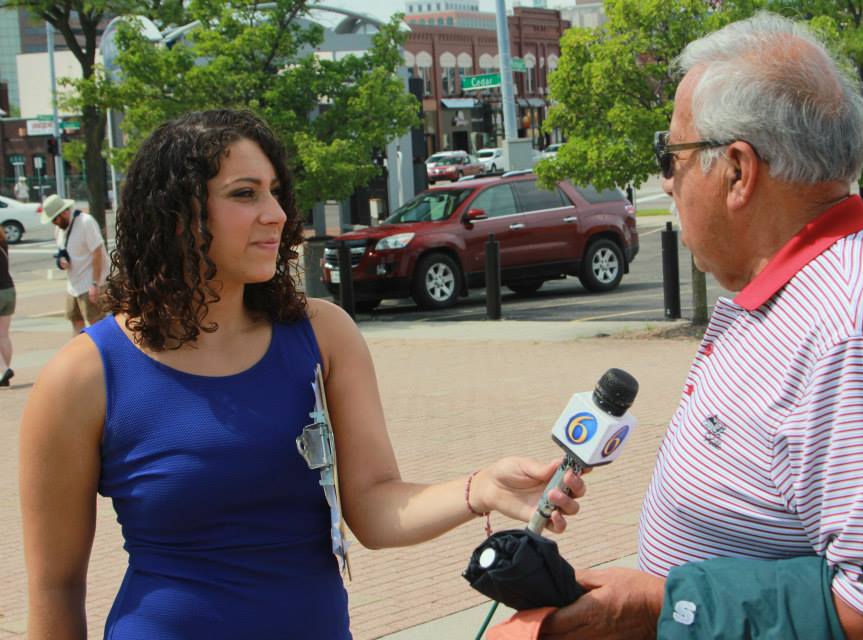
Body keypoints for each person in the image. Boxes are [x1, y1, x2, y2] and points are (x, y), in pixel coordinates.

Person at [19, 109, 586, 638]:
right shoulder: (84, 375)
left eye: (275, 192)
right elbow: (55, 585)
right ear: (178, 214)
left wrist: (479, 488)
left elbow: (375, 506)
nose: (277, 214)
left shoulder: (323, 335)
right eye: (245, 194)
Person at [541, 12, 863, 640]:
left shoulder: (856, 329)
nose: (666, 180)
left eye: (671, 154)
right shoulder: (810, 290)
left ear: (738, 170)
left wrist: (660, 606)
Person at [40, 194, 107, 335]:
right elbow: (62, 252)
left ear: (64, 212)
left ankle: (104, 354)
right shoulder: (59, 230)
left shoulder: (85, 222)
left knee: (97, 324)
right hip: (73, 285)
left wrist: (95, 283)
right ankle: (81, 353)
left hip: (89, 284)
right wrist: (61, 261)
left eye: (55, 219)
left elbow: (97, 252)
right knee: (75, 321)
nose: (54, 223)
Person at [0, 226, 14, 386]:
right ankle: (5, 371)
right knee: (3, 335)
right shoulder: (3, 241)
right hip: (9, 290)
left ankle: (3, 370)